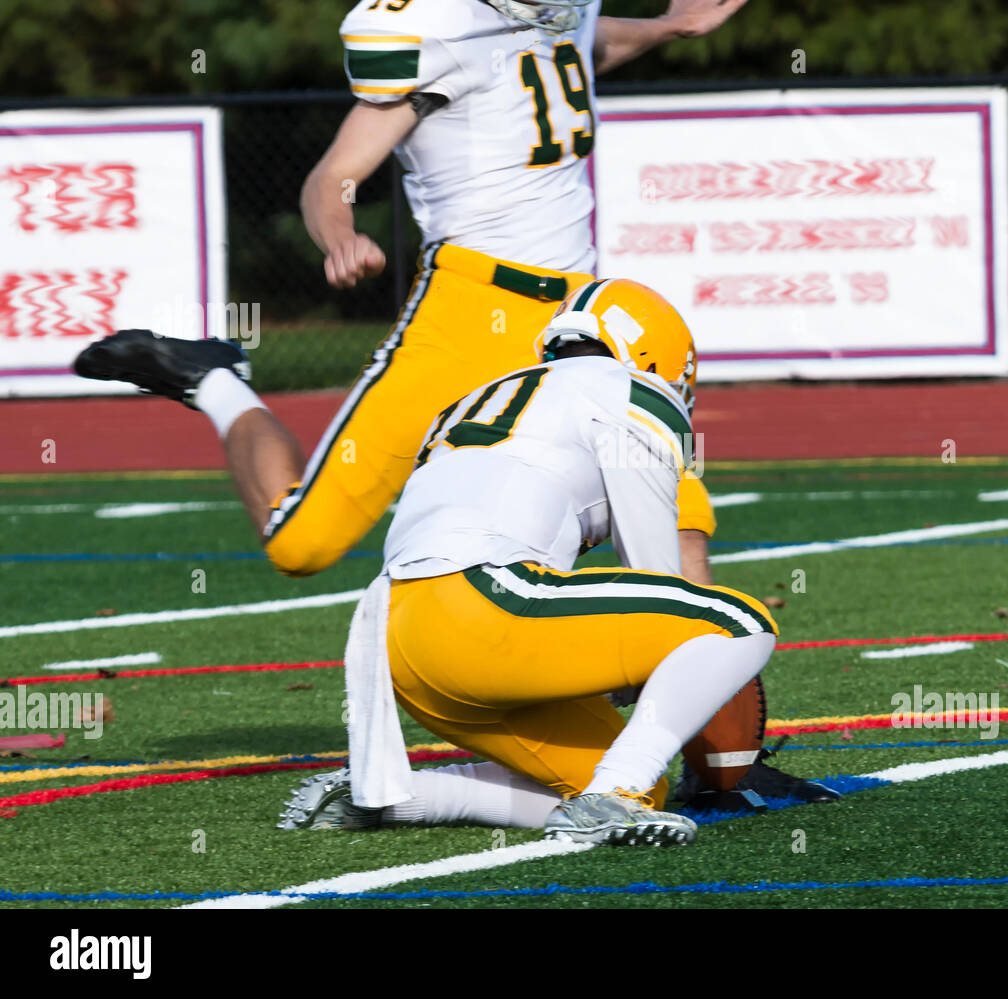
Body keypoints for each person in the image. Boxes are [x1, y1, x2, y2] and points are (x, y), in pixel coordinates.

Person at [74, 0, 837, 808]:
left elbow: (578, 44)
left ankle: (722, 769)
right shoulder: (433, 29)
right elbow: (330, 177)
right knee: (300, 542)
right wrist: (339, 233)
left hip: (584, 313)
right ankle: (213, 381)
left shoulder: (551, 9)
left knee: (681, 530)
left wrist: (667, 29)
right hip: (467, 312)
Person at [277, 280, 776, 846]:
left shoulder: (481, 396)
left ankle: (397, 797)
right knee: (739, 623)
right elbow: (654, 576)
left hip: (395, 639)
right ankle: (614, 798)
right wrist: (638, 667)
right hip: (486, 601)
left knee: (618, 775)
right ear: (656, 353)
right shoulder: (631, 391)